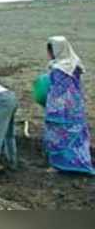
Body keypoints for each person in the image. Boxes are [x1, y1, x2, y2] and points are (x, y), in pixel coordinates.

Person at [44, 36, 94, 175]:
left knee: (59, 134)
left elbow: (57, 91)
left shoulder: (59, 68)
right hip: (75, 107)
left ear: (56, 51)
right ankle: (81, 163)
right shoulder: (74, 64)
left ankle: (60, 165)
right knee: (76, 134)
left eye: (49, 51)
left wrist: (49, 106)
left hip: (60, 109)